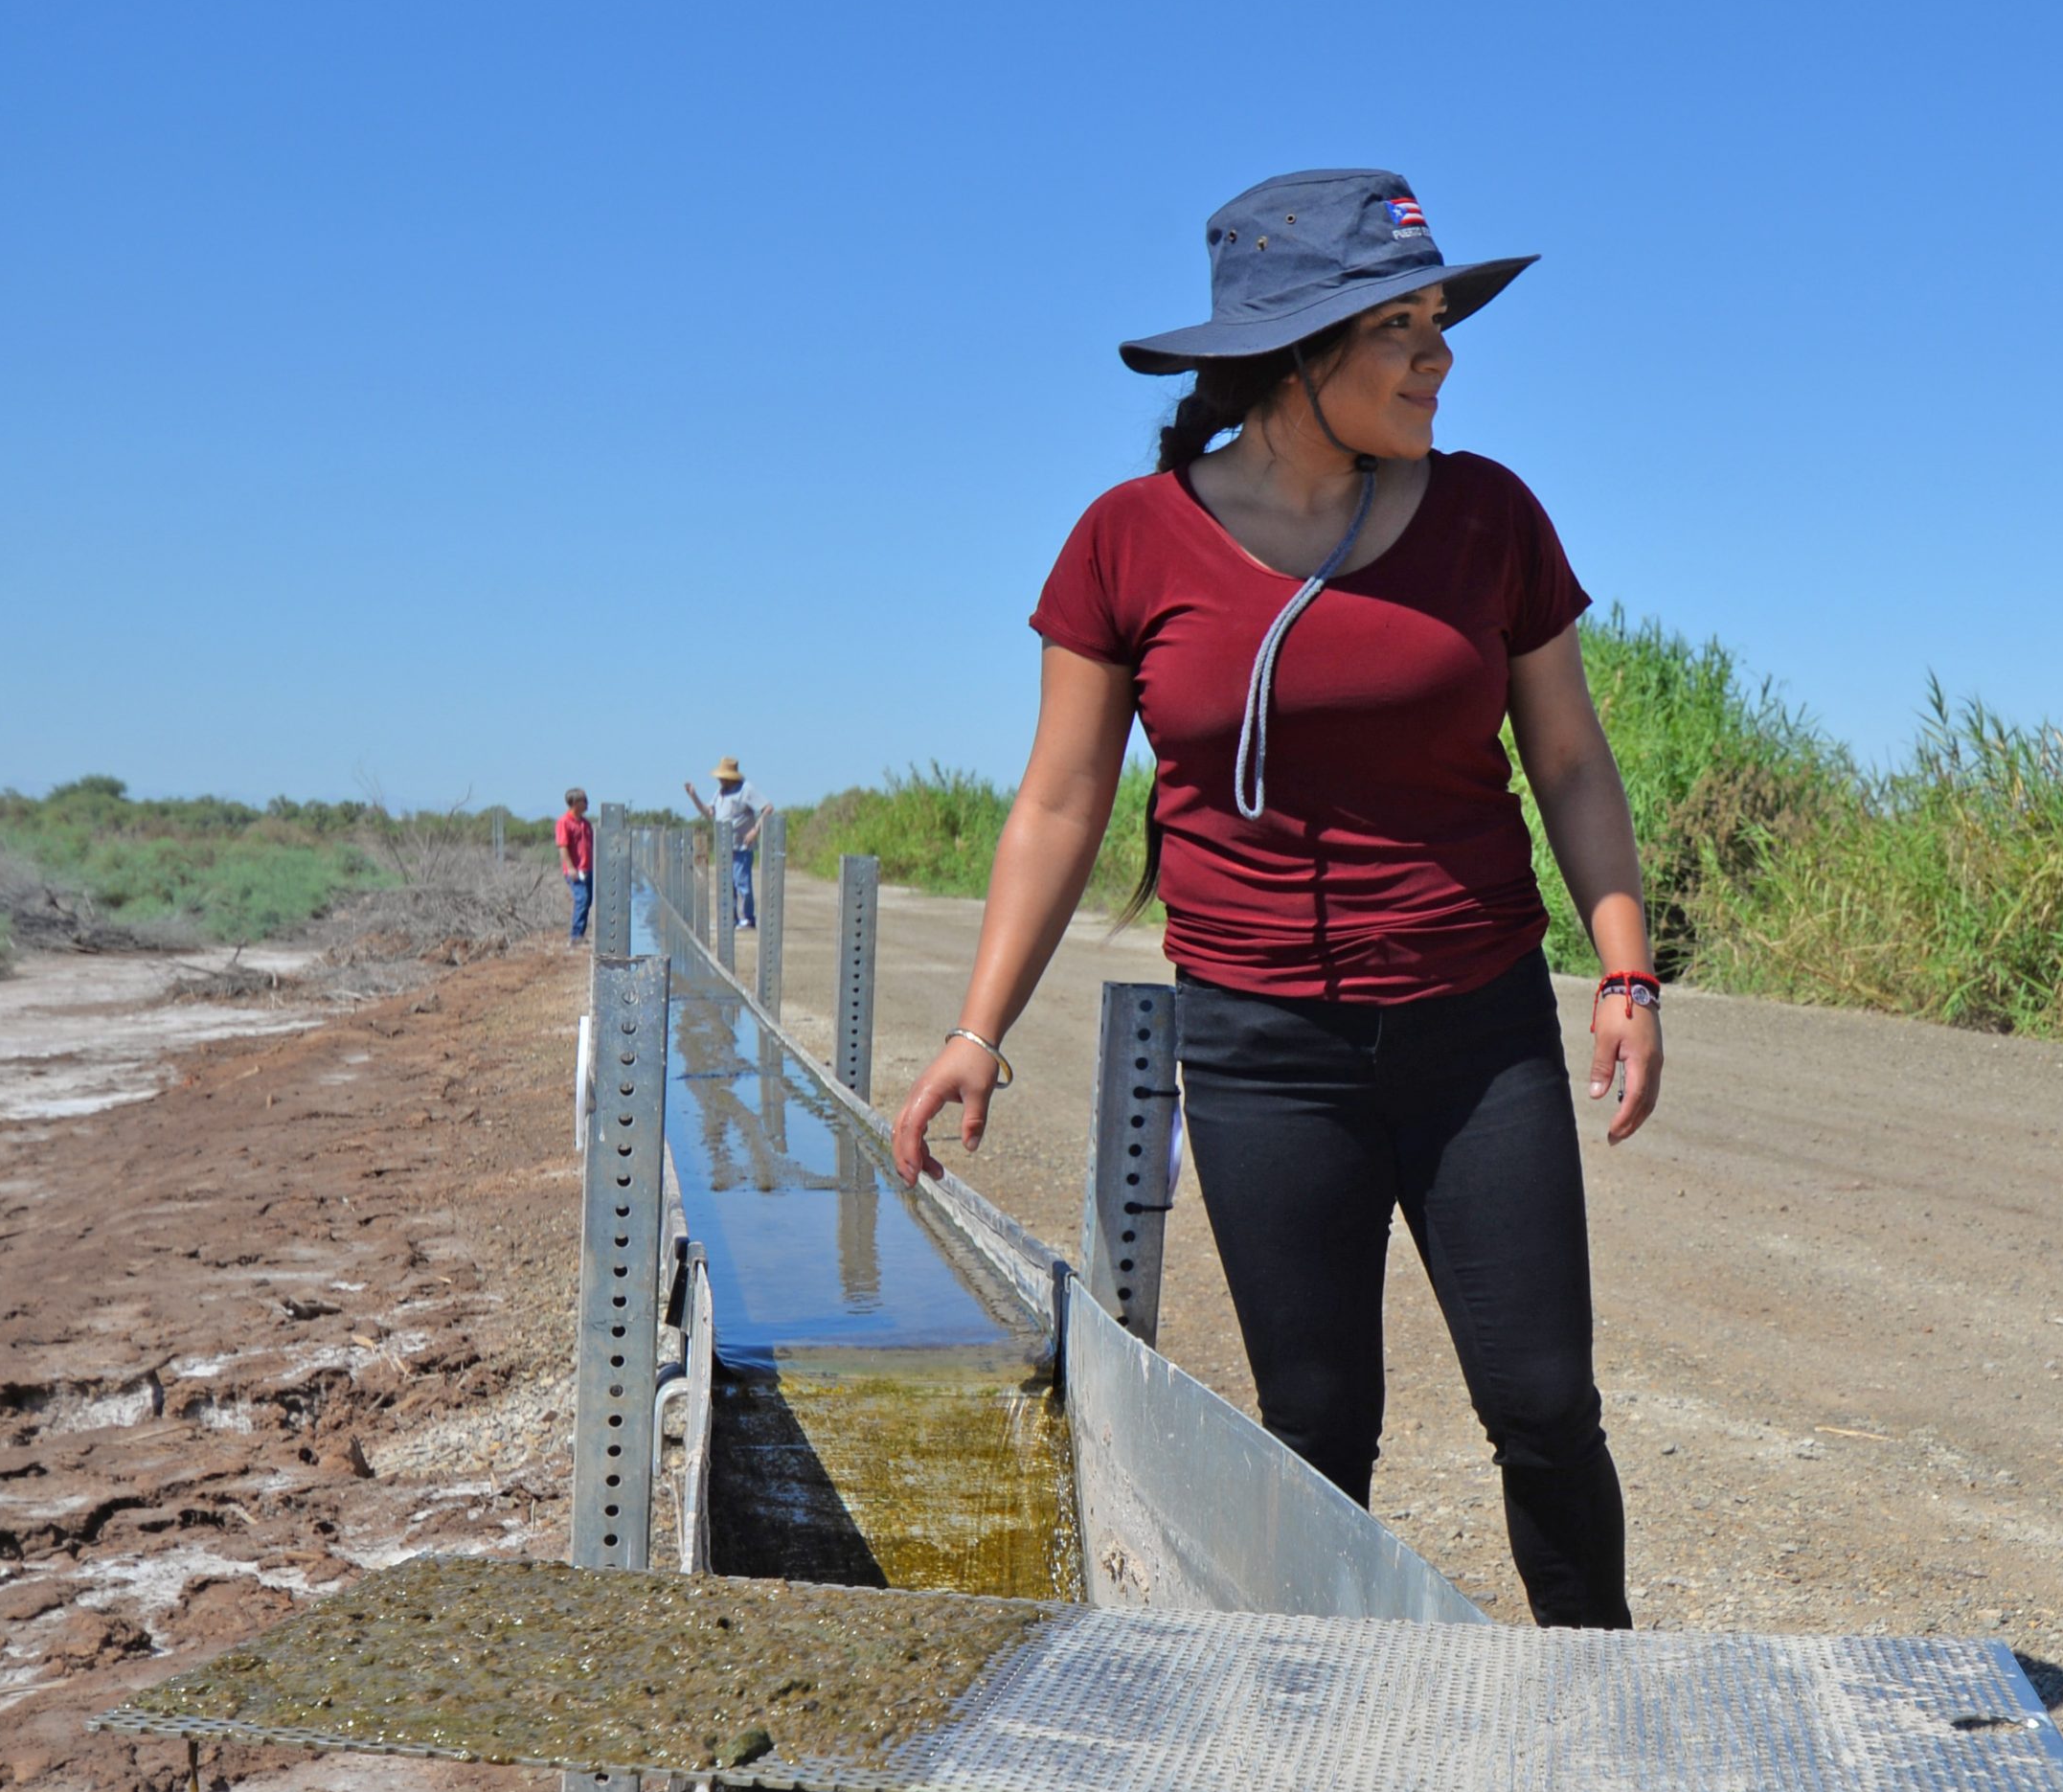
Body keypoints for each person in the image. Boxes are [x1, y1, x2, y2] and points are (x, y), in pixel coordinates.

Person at [891, 169, 1664, 1632]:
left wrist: (1625, 974)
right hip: (1259, 1044)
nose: (1443, 356)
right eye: (1405, 329)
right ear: (1299, 356)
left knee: (1547, 1403)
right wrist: (977, 1029)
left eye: (1444, 320)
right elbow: (1059, 803)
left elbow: (1568, 759)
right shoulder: (1129, 540)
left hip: (1475, 1025)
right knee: (1314, 1424)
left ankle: (1596, 1734)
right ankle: (1322, 1735)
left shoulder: (1490, 517)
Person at [684, 758, 773, 930]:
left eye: (723, 777)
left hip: (742, 845)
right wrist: (693, 795)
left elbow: (768, 808)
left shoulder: (746, 789)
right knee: (726, 884)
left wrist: (755, 830)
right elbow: (709, 813)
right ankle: (730, 919)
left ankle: (748, 918)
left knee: (742, 883)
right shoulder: (720, 792)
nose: (720, 780)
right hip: (724, 846)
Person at [556, 788, 594, 942]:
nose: (587, 803)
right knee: (582, 899)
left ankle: (580, 935)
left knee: (587, 900)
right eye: (584, 801)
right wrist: (571, 868)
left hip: (587, 869)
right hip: (575, 871)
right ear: (575, 803)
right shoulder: (564, 822)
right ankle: (576, 936)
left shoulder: (585, 824)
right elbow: (563, 847)